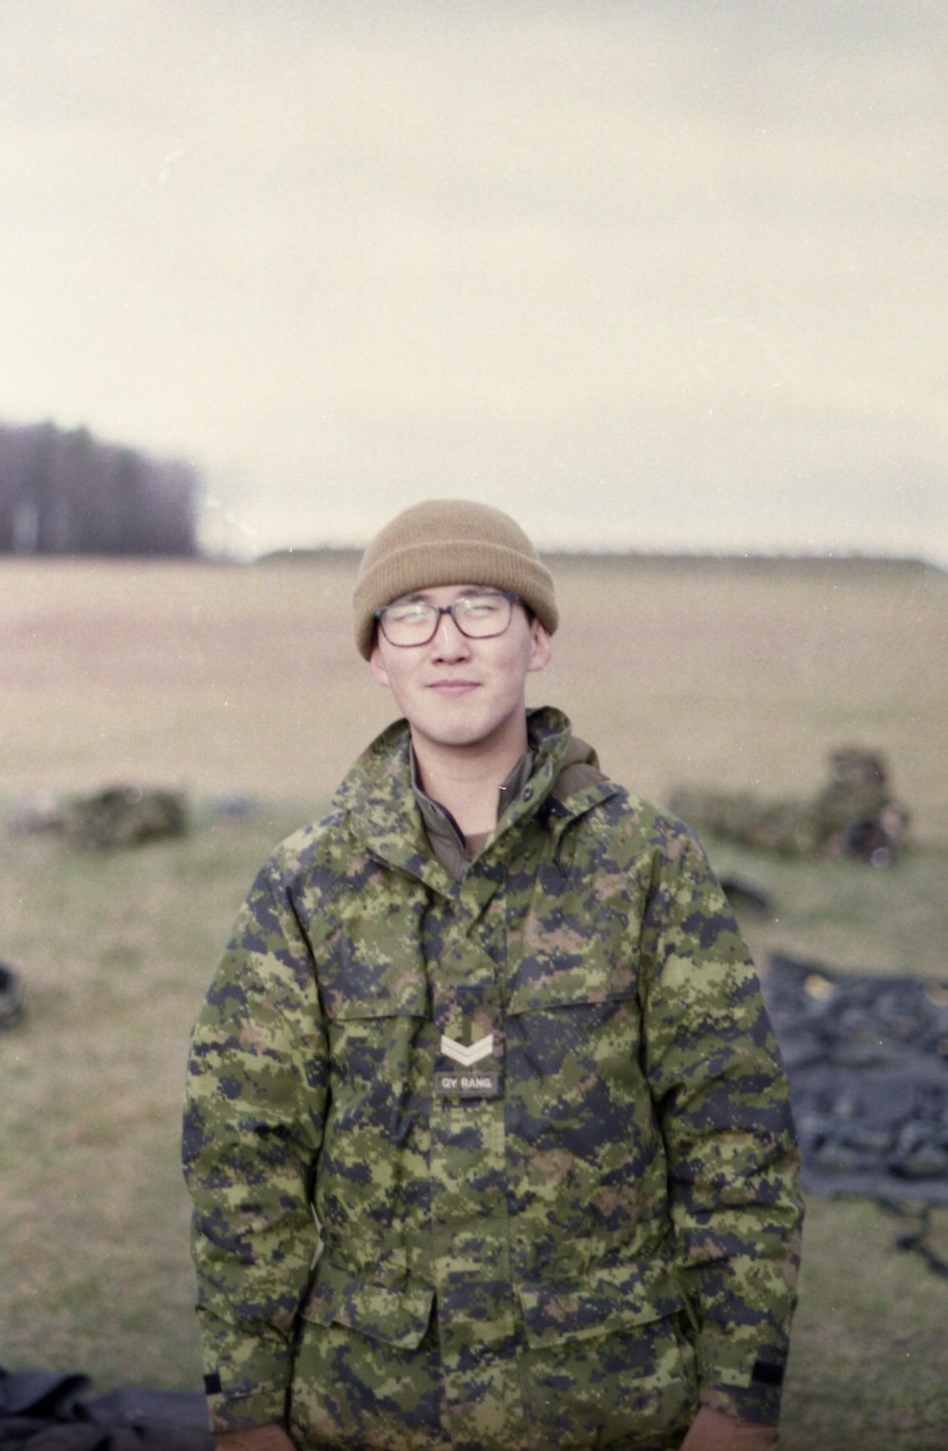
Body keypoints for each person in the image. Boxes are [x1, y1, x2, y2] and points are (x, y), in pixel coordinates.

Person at [183, 499, 804, 1451]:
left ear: (537, 639)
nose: (447, 643)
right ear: (377, 658)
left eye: (482, 607)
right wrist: (246, 1413)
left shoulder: (647, 865)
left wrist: (739, 1398)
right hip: (368, 1413)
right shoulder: (306, 887)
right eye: (411, 614)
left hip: (614, 1408)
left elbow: (736, 1136)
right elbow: (244, 1163)